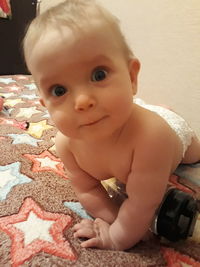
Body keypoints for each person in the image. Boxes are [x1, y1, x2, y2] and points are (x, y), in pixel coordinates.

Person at [23, 0, 200, 250]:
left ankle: (166, 113)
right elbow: (88, 190)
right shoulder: (67, 145)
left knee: (194, 154)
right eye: (59, 90)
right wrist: (115, 220)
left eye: (98, 75)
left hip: (172, 131)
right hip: (128, 113)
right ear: (45, 104)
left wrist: (116, 237)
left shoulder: (152, 138)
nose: (82, 101)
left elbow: (142, 204)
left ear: (131, 76)